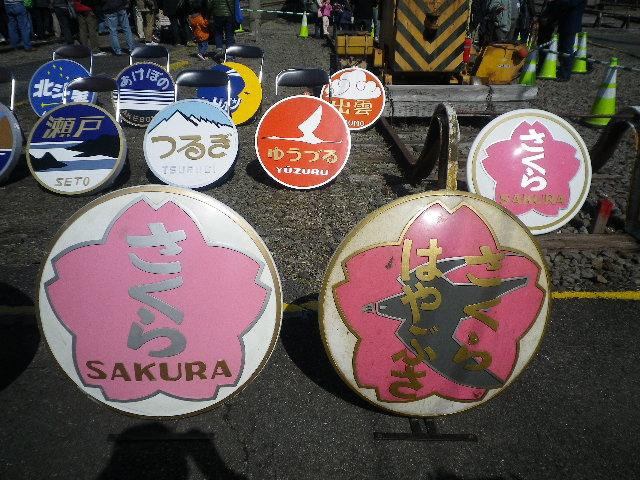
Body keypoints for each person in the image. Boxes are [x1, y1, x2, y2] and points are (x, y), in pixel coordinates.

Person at [538, 0, 586, 81]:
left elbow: (570, 3)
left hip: (570, 24)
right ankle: (559, 70)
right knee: (561, 48)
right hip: (562, 22)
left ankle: (565, 74)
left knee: (566, 49)